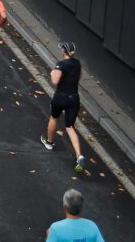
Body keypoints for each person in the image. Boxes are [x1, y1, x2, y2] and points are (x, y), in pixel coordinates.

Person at [41, 41, 86, 173]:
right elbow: (79, 77)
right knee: (70, 127)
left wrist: (52, 73)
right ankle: (79, 155)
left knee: (54, 118)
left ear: (64, 51)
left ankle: (49, 142)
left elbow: (55, 81)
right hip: (74, 98)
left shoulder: (60, 64)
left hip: (61, 97)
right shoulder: (77, 63)